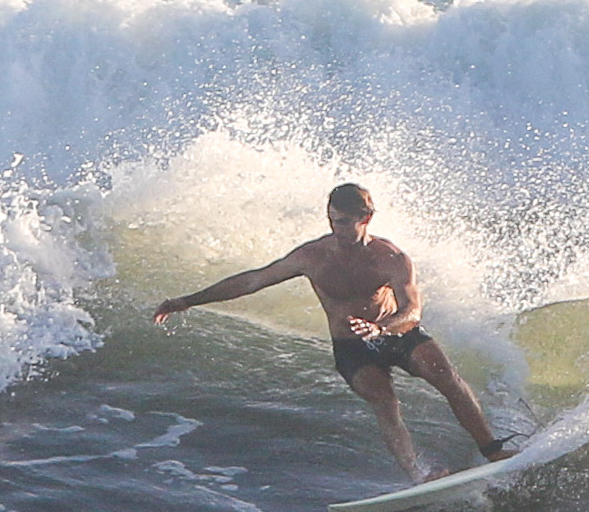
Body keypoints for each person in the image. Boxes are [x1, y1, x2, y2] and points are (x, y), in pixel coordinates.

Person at [153, 183, 518, 483]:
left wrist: (382, 328)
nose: (337, 230)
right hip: (351, 347)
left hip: (395, 332)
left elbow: (412, 310)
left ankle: (492, 449)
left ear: (366, 218)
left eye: (344, 222)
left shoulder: (391, 258)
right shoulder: (313, 256)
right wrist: (189, 300)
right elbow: (253, 280)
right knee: (383, 400)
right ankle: (419, 474)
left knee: (446, 377)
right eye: (332, 221)